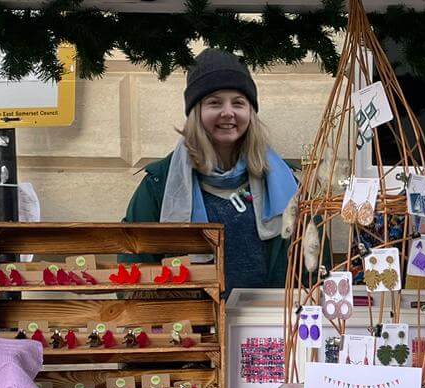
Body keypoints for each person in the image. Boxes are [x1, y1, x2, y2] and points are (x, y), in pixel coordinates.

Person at [124, 49, 298, 289]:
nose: (228, 112)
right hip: (194, 322)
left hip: (269, 322)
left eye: (238, 103)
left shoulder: (285, 182)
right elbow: (133, 266)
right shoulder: (159, 185)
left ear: (250, 112)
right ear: (196, 112)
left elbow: (313, 263)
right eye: (214, 102)